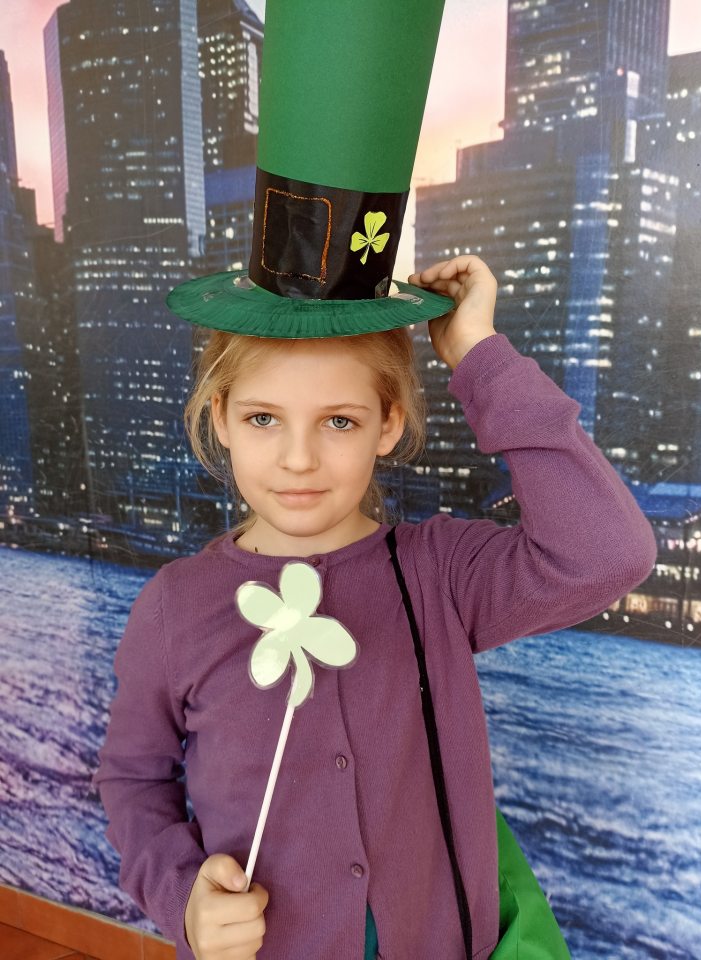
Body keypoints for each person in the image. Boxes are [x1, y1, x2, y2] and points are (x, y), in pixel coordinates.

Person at [92, 254, 658, 960]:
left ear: (387, 424)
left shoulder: (440, 573)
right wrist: (183, 896)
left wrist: (478, 356)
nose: (299, 459)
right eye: (263, 418)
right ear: (221, 419)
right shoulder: (174, 606)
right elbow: (132, 779)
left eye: (338, 421)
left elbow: (608, 553)